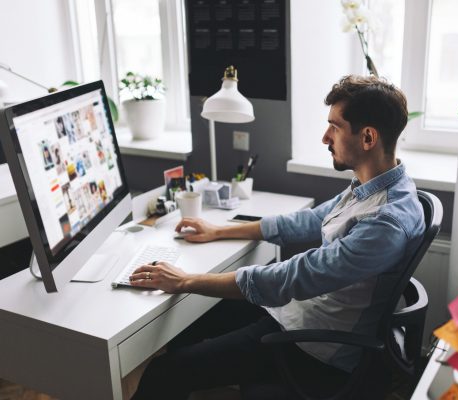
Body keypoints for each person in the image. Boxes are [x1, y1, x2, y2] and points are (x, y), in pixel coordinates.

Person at [129, 75, 425, 400]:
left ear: (368, 137)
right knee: (191, 324)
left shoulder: (385, 220)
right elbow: (309, 220)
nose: (325, 137)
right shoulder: (376, 185)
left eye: (335, 127)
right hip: (297, 314)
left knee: (162, 372)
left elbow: (293, 276)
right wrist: (219, 231)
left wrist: (187, 281)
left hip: (313, 347)